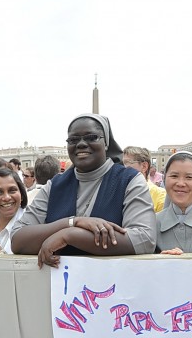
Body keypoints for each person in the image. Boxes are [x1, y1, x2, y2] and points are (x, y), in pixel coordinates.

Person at [11, 113, 156, 266]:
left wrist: (69, 235)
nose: (81, 144)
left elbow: (144, 239)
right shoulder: (55, 185)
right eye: (73, 140)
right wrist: (72, 222)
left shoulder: (129, 180)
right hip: (61, 286)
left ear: (106, 143)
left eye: (91, 137)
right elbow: (17, 239)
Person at [123, 146, 166, 213]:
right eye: (122, 164)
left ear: (144, 166)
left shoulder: (160, 195)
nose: (122, 168)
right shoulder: (119, 192)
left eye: (127, 163)